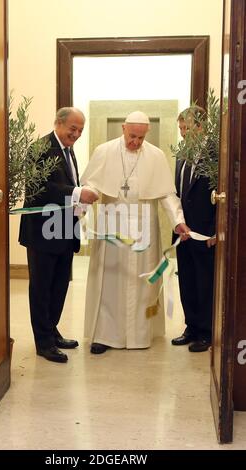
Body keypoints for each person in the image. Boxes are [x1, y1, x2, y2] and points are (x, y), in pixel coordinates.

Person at [80, 111, 189, 354]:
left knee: (143, 282)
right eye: (132, 136)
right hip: (112, 228)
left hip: (144, 230)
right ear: (123, 129)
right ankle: (104, 336)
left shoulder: (156, 155)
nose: (136, 142)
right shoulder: (104, 151)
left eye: (140, 138)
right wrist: (83, 203)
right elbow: (91, 184)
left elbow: (166, 195)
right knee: (110, 282)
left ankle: (140, 335)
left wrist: (177, 221)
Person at [19, 107, 98, 363]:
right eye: (72, 128)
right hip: (42, 231)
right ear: (58, 123)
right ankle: (43, 343)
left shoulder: (68, 151)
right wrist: (77, 194)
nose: (75, 134)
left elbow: (67, 186)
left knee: (60, 285)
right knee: (42, 288)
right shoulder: (40, 148)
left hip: (64, 229)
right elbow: (39, 188)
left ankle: (52, 331)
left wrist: (79, 204)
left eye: (80, 130)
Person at [171, 106, 216, 352]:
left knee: (204, 282)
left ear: (201, 127)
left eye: (186, 128)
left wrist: (217, 231)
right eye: (180, 129)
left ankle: (206, 331)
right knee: (186, 280)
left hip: (206, 232)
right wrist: (178, 222)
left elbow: (223, 195)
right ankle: (190, 327)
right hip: (183, 231)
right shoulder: (181, 153)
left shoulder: (217, 153)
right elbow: (179, 192)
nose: (183, 134)